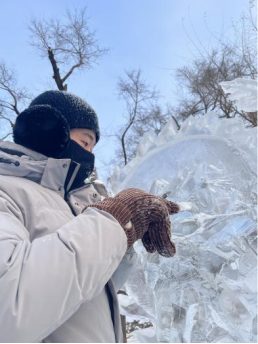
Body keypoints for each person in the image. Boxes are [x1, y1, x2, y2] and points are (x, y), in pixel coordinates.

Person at [0, 90, 179, 343]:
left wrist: (125, 236)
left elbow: (92, 292)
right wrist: (115, 219)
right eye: (84, 143)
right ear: (48, 130)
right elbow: (10, 309)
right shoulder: (6, 190)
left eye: (93, 147)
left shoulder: (73, 205)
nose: (89, 155)